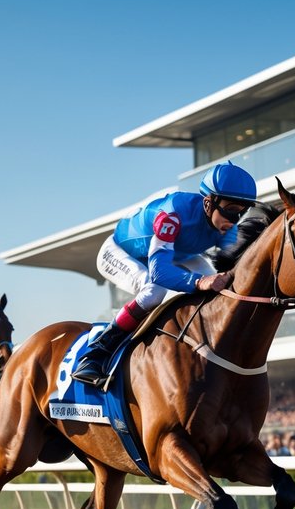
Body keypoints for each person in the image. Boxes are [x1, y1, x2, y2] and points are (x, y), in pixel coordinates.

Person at [72, 161, 256, 386]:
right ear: (208, 203)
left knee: (221, 285)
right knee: (154, 291)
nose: (235, 219)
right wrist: (199, 282)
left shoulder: (227, 227)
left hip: (175, 252)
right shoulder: (173, 214)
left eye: (242, 211)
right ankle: (97, 353)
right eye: (230, 209)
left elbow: (231, 271)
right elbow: (160, 273)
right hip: (120, 252)